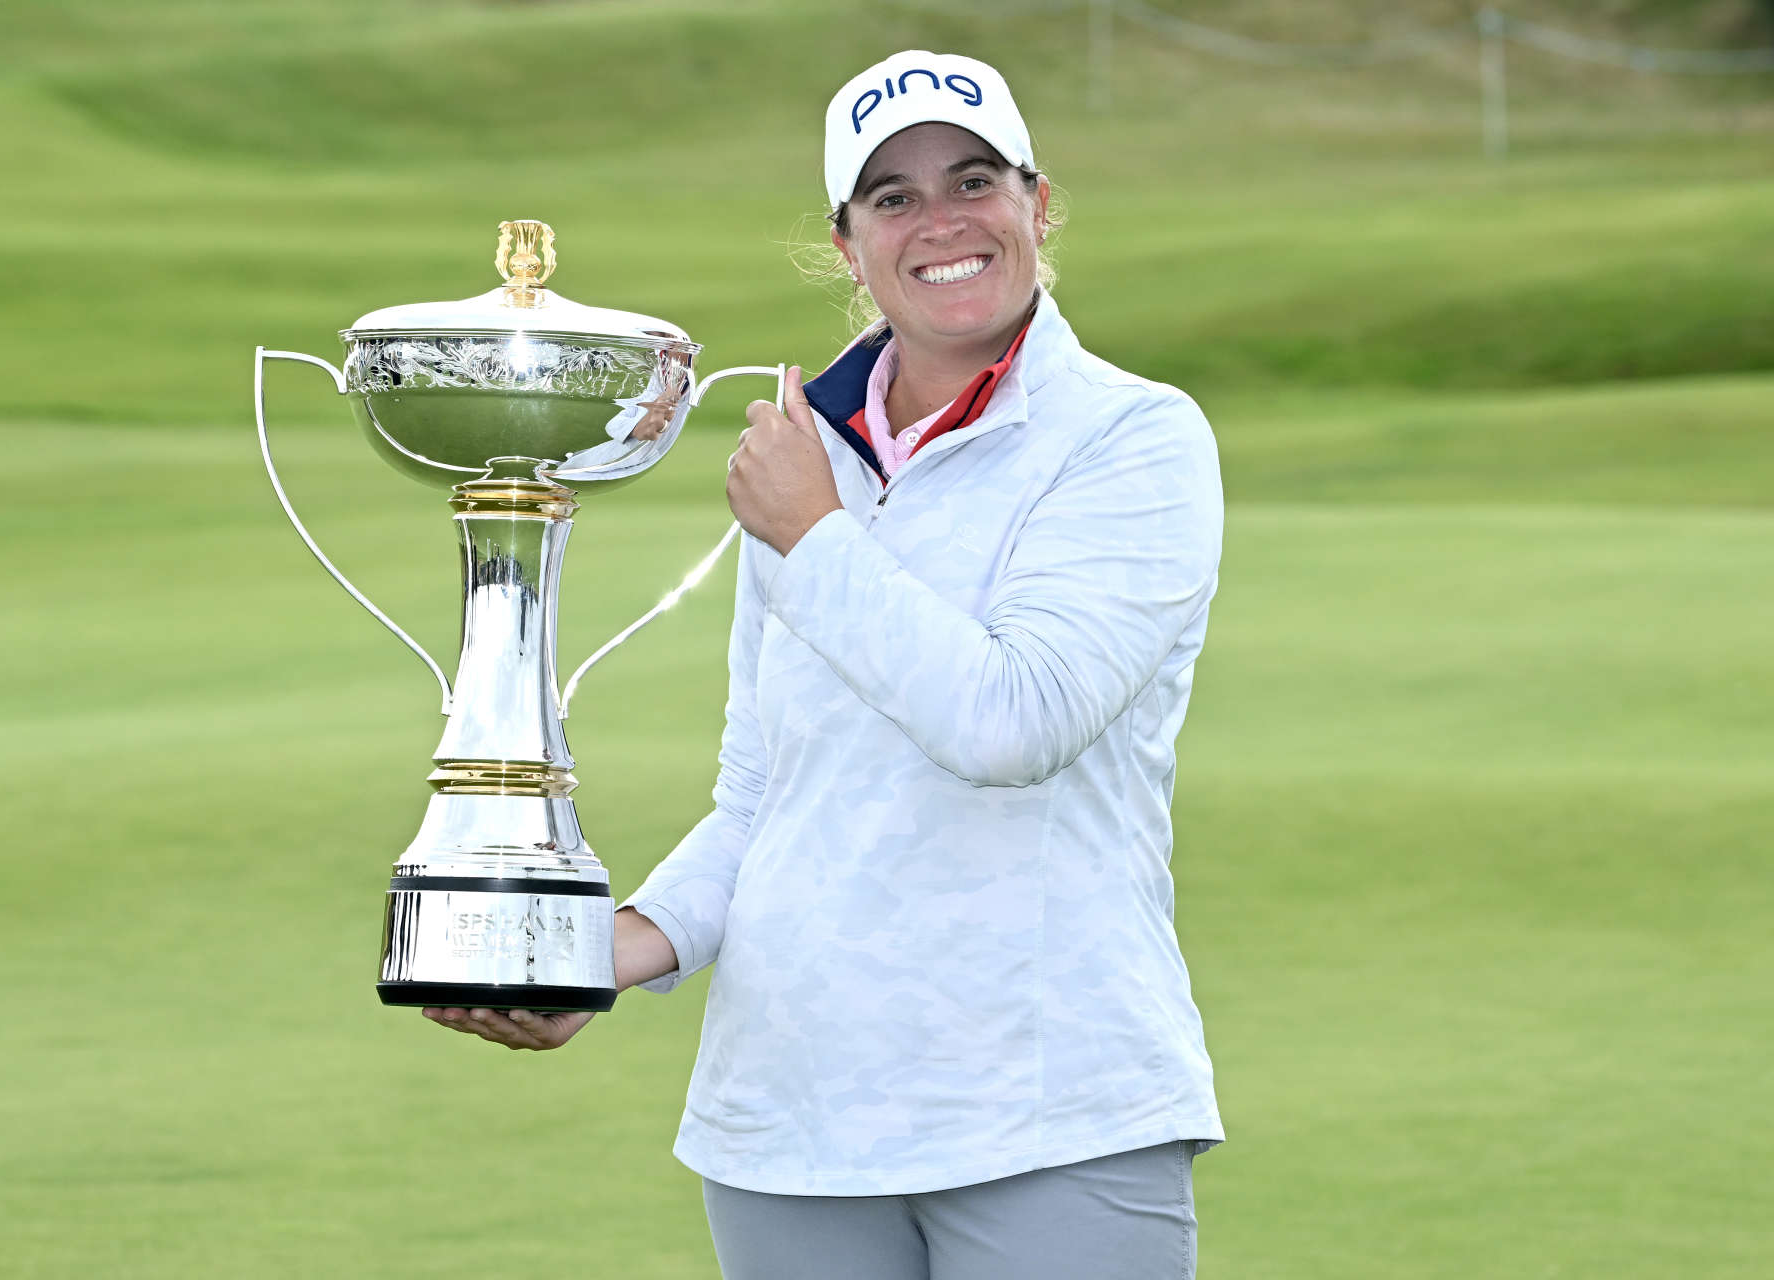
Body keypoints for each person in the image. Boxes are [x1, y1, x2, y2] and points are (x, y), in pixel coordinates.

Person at [424, 49, 1225, 1280]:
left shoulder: (1134, 437)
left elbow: (1013, 721)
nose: (940, 222)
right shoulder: (809, 452)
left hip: (1051, 1113)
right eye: (893, 198)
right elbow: (764, 796)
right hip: (788, 1131)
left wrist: (812, 532)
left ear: (1038, 205)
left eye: (974, 181)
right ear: (848, 244)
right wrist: (598, 951)